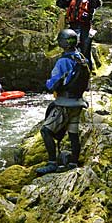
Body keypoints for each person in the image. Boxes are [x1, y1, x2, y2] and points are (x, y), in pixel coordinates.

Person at [36, 29, 90, 175]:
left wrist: (47, 84)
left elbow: (53, 83)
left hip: (64, 103)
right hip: (78, 103)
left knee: (46, 131)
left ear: (62, 43)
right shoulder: (81, 57)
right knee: (73, 134)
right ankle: (73, 162)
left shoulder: (62, 61)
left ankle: (52, 163)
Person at [56, 0, 102, 70]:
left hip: (85, 28)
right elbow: (59, 3)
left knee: (85, 51)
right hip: (73, 28)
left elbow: (98, 4)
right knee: (70, 49)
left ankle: (87, 73)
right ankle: (70, 72)